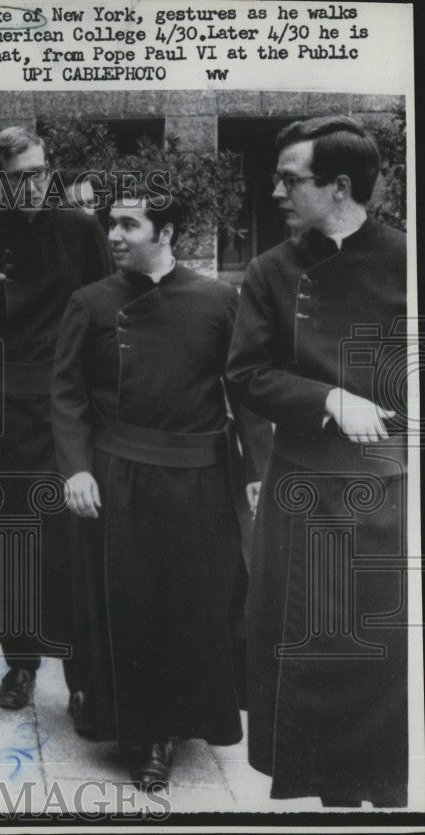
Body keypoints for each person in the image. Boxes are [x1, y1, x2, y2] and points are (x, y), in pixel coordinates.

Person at [226, 116, 408, 807]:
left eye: (290, 179)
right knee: (315, 659)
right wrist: (329, 396)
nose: (275, 190)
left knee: (382, 661)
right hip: (301, 491)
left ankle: (392, 800)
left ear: (338, 186)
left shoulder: (403, 257)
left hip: (388, 491)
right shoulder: (272, 270)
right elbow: (245, 375)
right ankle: (332, 803)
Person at [51, 185, 247, 786]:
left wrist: (259, 475)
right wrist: (77, 467)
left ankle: (173, 724)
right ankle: (143, 736)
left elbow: (243, 390)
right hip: (119, 474)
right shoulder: (90, 302)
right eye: (111, 223)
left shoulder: (218, 301)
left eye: (129, 225)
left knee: (191, 607)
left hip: (199, 479)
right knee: (129, 607)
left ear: (165, 234)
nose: (113, 235)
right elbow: (67, 393)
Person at [0, 127, 112, 715]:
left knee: (74, 541)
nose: (31, 186)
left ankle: (83, 673)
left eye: (39, 172)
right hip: (5, 409)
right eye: (16, 178)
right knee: (13, 542)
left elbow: (110, 312)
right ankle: (21, 664)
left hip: (69, 405)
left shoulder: (83, 231)